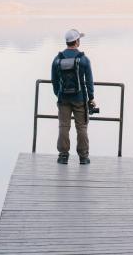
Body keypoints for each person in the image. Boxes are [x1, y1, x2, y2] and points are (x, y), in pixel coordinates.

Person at [51, 28, 95, 165]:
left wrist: (58, 93)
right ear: (76, 41)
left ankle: (63, 156)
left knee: (64, 126)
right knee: (81, 127)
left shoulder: (58, 59)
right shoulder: (83, 59)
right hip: (79, 98)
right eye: (79, 39)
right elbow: (89, 81)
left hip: (63, 98)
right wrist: (91, 98)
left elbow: (54, 80)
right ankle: (83, 157)